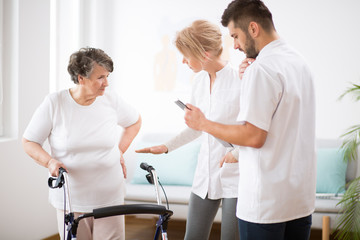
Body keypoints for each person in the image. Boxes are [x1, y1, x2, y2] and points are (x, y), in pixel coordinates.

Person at [183, 1, 316, 239]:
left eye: (235, 36)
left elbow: (254, 136)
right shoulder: (300, 62)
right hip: (299, 201)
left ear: (253, 29)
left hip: (265, 205)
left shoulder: (261, 68)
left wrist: (203, 123)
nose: (234, 45)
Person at [136, 20, 241, 240]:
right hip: (206, 173)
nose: (183, 61)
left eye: (185, 55)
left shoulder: (241, 80)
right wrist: (165, 147)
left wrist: (237, 153)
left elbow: (253, 130)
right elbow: (197, 129)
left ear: (203, 53)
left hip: (237, 176)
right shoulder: (200, 81)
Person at [22, 47, 141, 240]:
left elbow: (135, 122)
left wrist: (119, 150)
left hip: (110, 194)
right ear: (81, 78)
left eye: (107, 76)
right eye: (100, 77)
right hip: (71, 197)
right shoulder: (55, 103)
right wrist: (50, 162)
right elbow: (29, 141)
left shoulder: (111, 100)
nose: (106, 83)